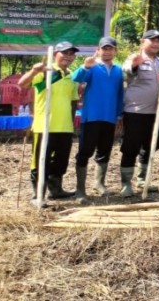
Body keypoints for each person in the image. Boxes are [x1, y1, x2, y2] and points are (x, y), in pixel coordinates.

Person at [19, 41, 79, 202]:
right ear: (55, 54)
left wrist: (71, 123)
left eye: (71, 53)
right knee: (40, 161)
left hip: (65, 127)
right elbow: (22, 84)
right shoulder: (46, 71)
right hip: (43, 127)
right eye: (65, 53)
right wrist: (33, 71)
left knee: (61, 161)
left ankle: (56, 190)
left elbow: (73, 101)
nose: (68, 56)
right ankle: (38, 194)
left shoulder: (72, 75)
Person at [70, 36, 123, 201]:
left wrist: (119, 115)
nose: (107, 51)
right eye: (104, 48)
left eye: (110, 48)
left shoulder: (118, 70)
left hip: (109, 117)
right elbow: (76, 78)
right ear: (98, 50)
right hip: (91, 116)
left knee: (104, 150)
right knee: (85, 151)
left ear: (115, 51)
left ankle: (99, 183)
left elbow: (120, 93)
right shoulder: (92, 67)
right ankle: (80, 189)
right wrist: (85, 66)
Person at [120, 29, 159, 197]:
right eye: (152, 40)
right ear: (143, 42)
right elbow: (126, 71)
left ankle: (143, 179)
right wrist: (134, 63)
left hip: (157, 112)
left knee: (150, 147)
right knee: (130, 147)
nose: (156, 44)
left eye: (158, 41)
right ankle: (126, 183)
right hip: (136, 112)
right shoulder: (135, 58)